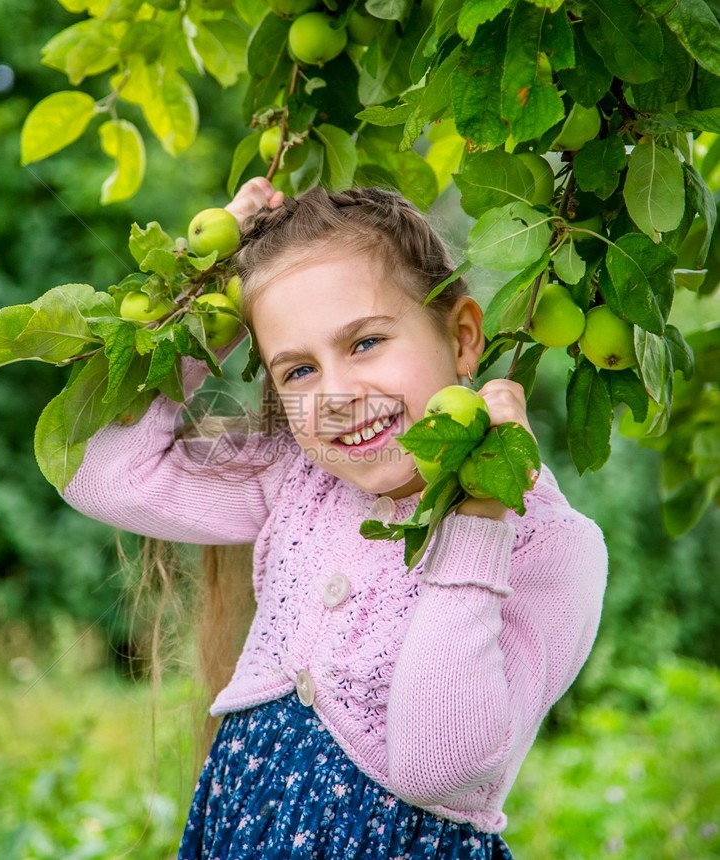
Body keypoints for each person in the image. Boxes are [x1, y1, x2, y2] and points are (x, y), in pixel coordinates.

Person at [62, 178, 608, 859]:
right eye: (297, 371)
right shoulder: (299, 476)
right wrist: (206, 304)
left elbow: (438, 766)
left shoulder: (549, 544)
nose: (338, 397)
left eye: (365, 343)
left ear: (463, 337)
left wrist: (479, 516)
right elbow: (95, 468)